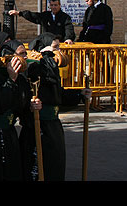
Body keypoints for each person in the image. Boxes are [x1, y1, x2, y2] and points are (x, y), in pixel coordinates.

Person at [19, 32, 90, 181]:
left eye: (59, 47)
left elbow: (58, 94)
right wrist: (46, 57)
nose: (58, 51)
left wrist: (80, 94)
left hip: (53, 125)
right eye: (55, 47)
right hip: (37, 125)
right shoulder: (34, 66)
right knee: (38, 166)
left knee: (55, 164)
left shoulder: (50, 64)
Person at [0, 38, 31, 181]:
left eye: (25, 54)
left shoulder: (21, 78)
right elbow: (0, 105)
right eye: (21, 54)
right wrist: (10, 80)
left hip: (10, 132)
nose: (25, 58)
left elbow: (21, 106)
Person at [9, 0, 75, 44]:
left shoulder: (65, 17)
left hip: (60, 44)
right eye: (52, 5)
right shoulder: (46, 15)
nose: (54, 7)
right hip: (47, 43)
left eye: (55, 5)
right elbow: (34, 16)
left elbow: (69, 28)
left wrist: (68, 38)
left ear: (59, 5)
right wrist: (20, 13)